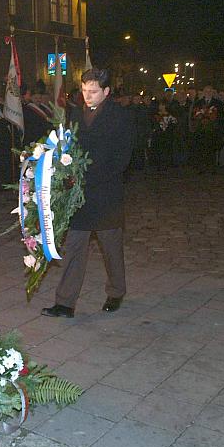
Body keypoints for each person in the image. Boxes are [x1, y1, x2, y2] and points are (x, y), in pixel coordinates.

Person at [42, 68, 135, 318]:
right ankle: (65, 302)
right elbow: (67, 147)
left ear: (106, 91)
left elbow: (122, 158)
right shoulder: (74, 113)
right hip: (79, 196)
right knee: (74, 247)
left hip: (106, 195)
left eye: (93, 91)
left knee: (111, 248)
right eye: (84, 91)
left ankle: (116, 292)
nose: (87, 96)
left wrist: (91, 176)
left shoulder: (120, 116)